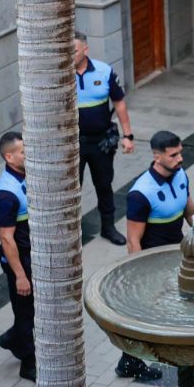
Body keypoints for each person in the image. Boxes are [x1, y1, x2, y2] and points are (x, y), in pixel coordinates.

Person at [117, 130, 194, 382]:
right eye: (173, 155)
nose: (180, 158)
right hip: (153, 262)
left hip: (177, 256)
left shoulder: (180, 175)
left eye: (180, 152)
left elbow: (191, 211)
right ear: (157, 157)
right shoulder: (141, 193)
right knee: (151, 314)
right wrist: (140, 273)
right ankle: (136, 361)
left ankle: (133, 360)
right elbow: (133, 239)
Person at [74, 35, 134, 247]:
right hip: (73, 146)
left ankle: (108, 227)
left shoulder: (103, 70)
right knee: (72, 190)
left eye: (75, 50)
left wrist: (128, 136)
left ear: (86, 50)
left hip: (101, 143)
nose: (71, 55)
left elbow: (119, 104)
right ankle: (72, 234)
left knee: (104, 184)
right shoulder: (60, 75)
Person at [0, 131, 37, 382]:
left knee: (32, 309)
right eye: (23, 151)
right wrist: (20, 275)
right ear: (9, 157)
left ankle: (11, 338)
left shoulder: (26, 175)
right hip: (19, 259)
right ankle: (28, 363)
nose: (27, 154)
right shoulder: (6, 195)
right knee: (25, 313)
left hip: (32, 254)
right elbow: (6, 239)